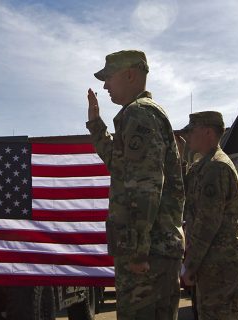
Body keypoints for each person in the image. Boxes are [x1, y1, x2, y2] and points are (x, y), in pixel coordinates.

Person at [86, 50, 185, 319]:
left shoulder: (139, 114)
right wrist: (96, 126)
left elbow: (146, 187)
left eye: (108, 77)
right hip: (153, 251)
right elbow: (122, 168)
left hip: (148, 255)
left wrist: (139, 251)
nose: (105, 85)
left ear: (129, 74)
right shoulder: (140, 114)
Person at [181, 111, 238, 319]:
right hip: (215, 260)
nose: (188, 137)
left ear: (208, 132)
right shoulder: (205, 166)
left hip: (220, 262)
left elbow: (207, 222)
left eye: (192, 132)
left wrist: (190, 265)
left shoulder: (216, 168)